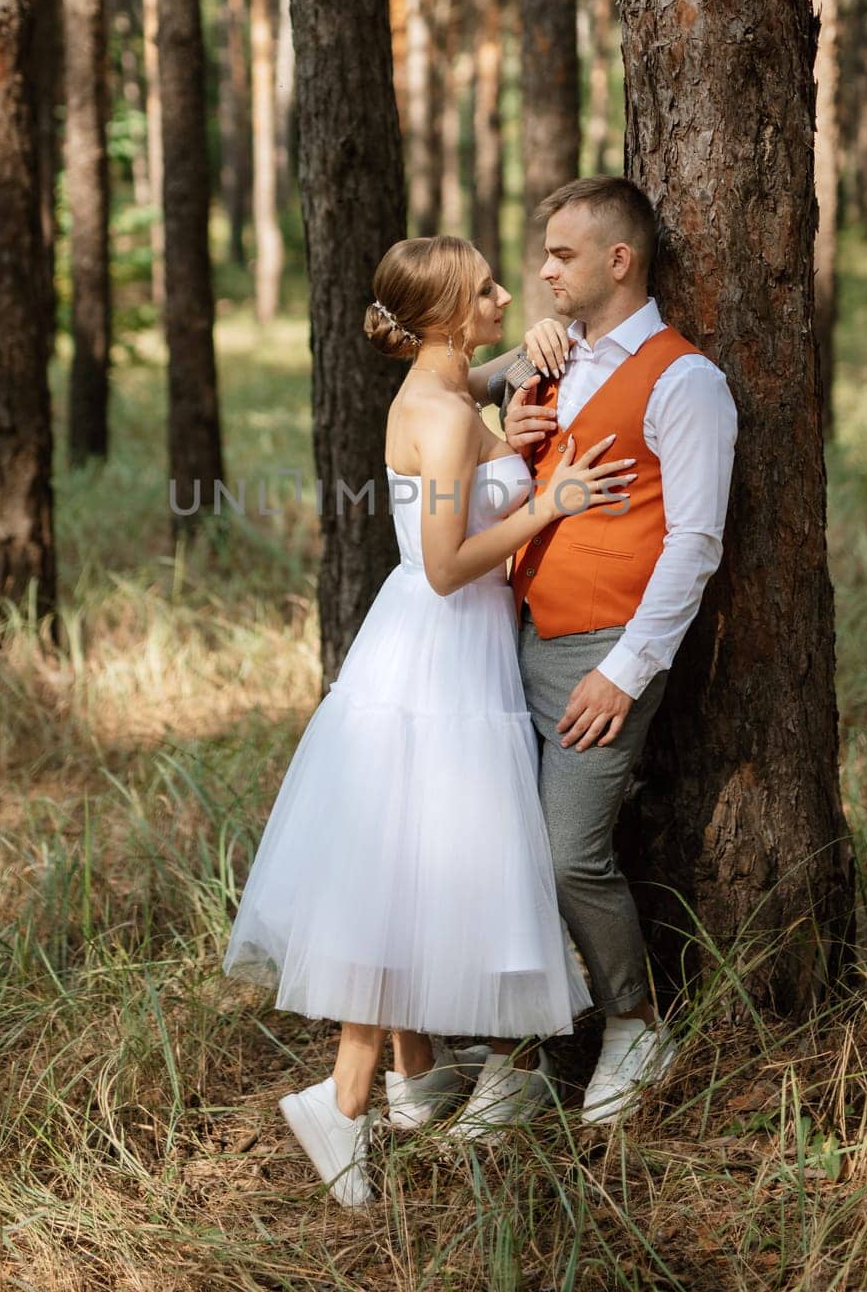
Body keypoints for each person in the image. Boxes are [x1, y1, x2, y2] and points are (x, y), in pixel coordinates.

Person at [222, 235, 637, 1206]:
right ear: (451, 311)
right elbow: (451, 562)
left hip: (438, 641)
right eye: (489, 287)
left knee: (408, 873)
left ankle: (403, 1080)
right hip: (445, 647)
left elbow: (483, 379)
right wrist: (554, 502)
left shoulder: (440, 389)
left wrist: (528, 372)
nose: (504, 293)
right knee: (416, 869)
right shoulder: (444, 416)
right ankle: (347, 1097)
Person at [487, 177, 738, 1129]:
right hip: (516, 637)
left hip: (605, 652)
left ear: (618, 261)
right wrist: (518, 375)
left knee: (567, 856)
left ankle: (635, 1022)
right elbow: (434, 382)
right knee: (503, 851)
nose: (544, 270)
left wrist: (624, 672)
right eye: (545, 254)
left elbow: (696, 544)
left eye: (561, 255)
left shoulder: (687, 381)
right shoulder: (554, 360)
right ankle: (526, 1050)